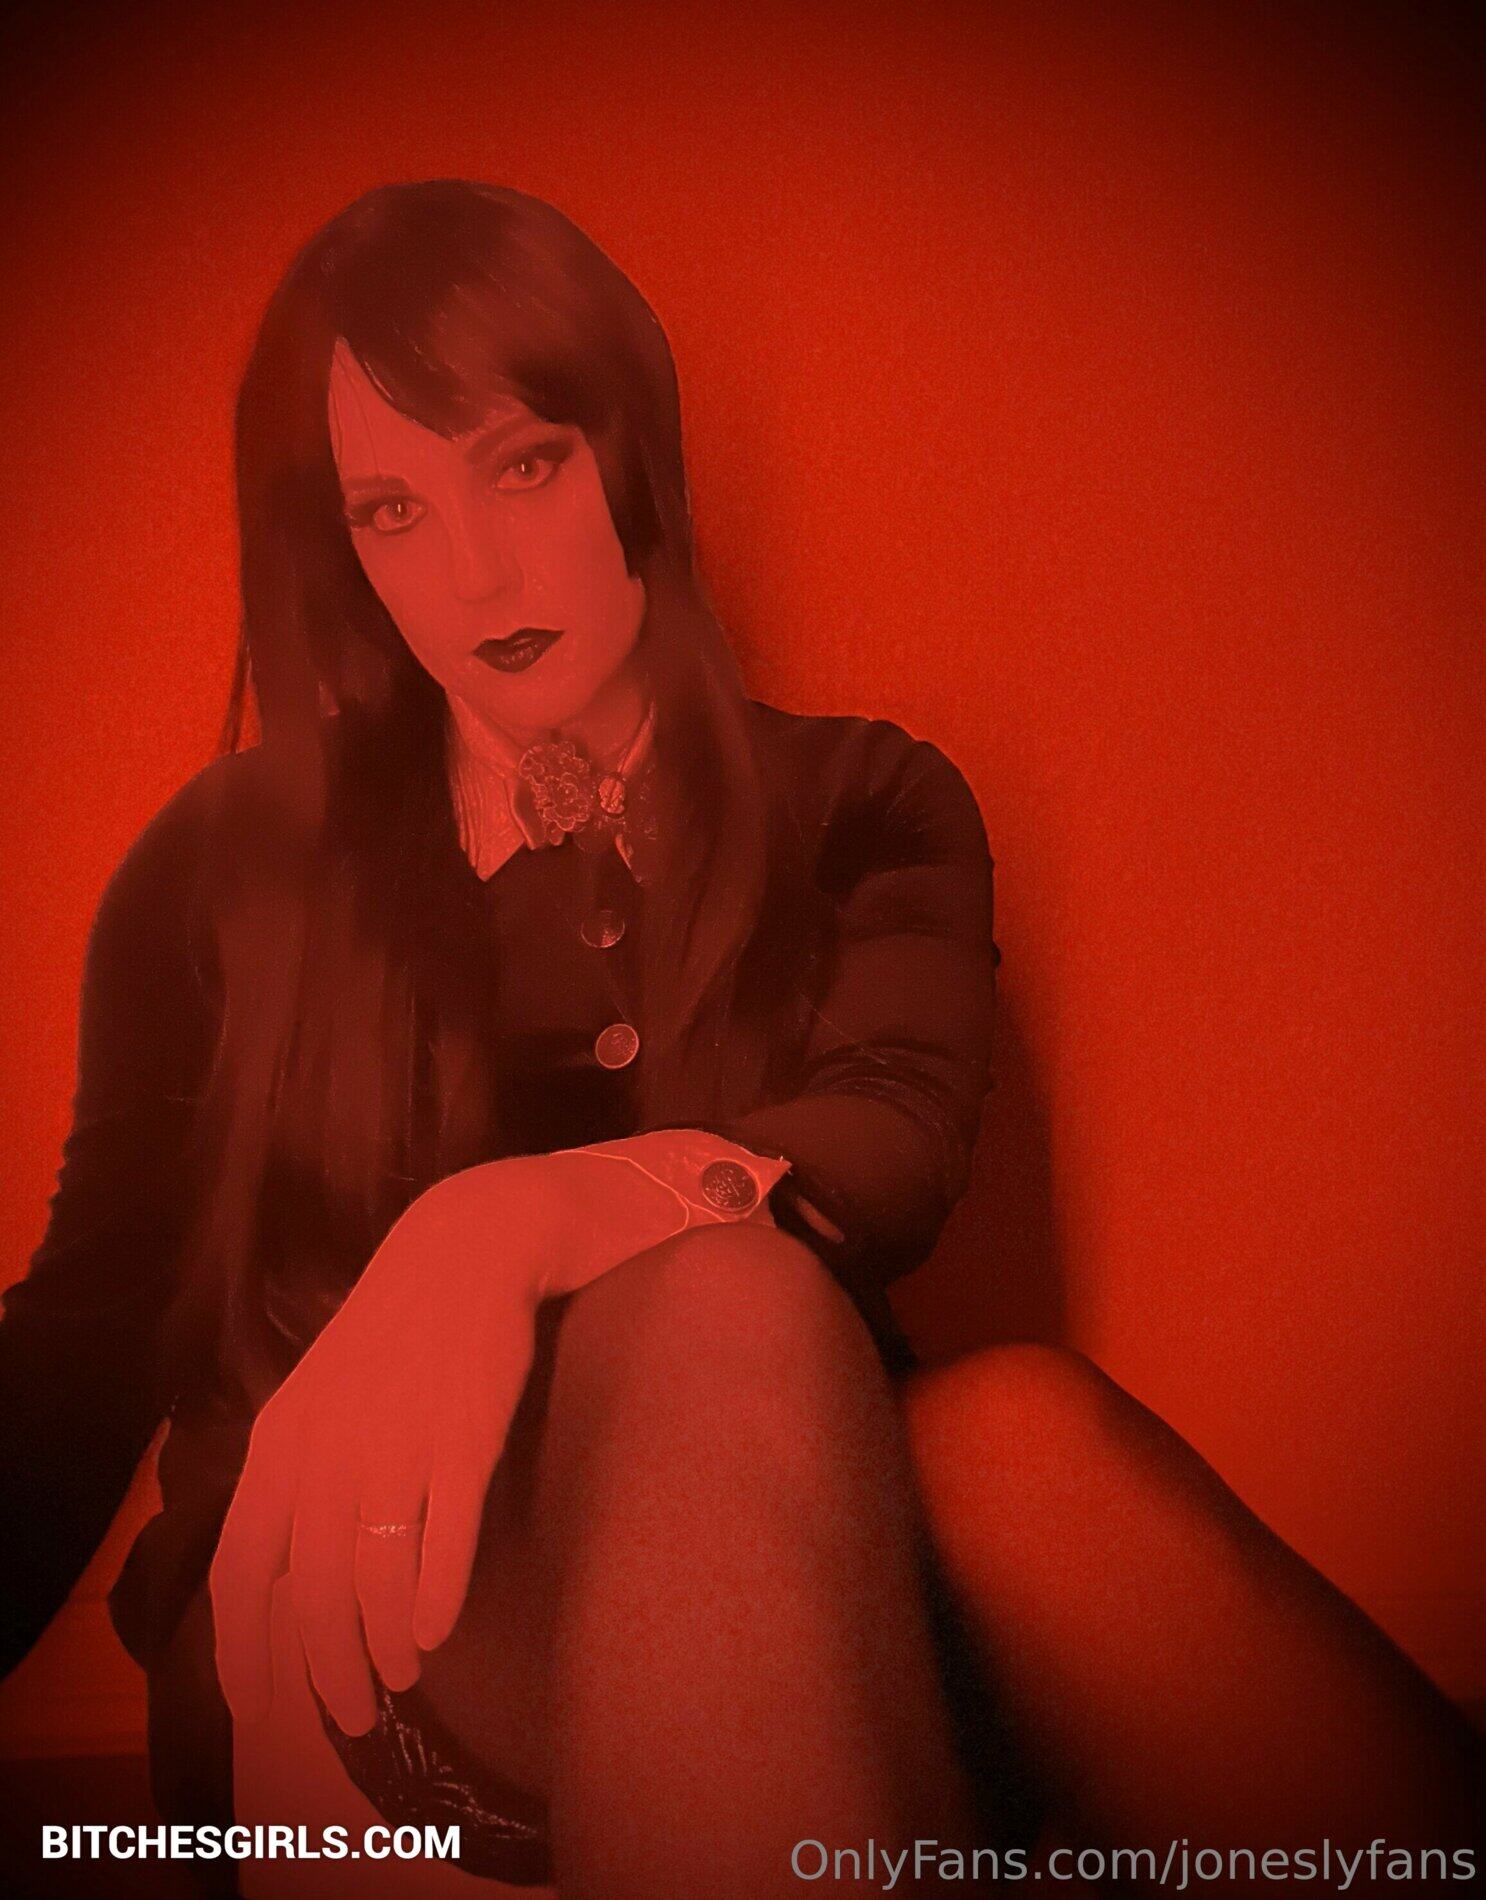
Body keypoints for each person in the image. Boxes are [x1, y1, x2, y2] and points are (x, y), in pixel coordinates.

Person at [0, 181, 1477, 1899]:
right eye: (392, 509)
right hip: (368, 1624)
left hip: (788, 1559)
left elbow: (894, 1143)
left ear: (629, 453)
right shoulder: (230, 859)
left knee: (1013, 1435)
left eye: (523, 464)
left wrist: (512, 1222)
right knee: (730, 1292)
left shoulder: (864, 796)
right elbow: (90, 1323)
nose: (474, 572)